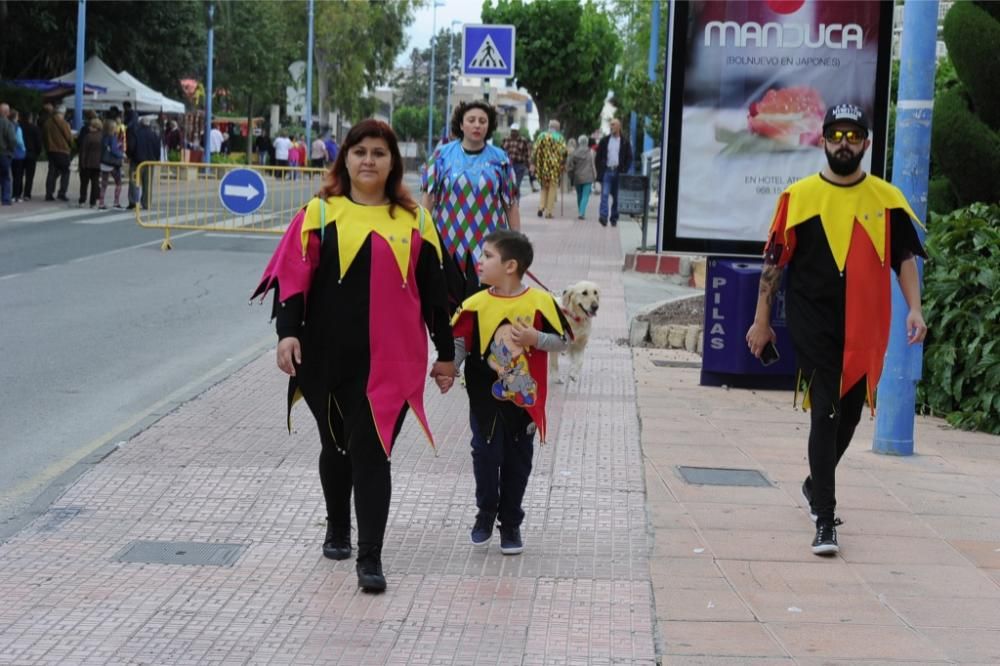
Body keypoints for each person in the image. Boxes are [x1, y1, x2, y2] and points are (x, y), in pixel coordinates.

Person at [252, 119, 455, 593]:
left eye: (379, 153)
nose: (369, 160)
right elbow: (293, 280)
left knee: (373, 452)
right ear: (344, 158)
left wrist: (446, 354)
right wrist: (287, 335)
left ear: (393, 163)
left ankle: (371, 559)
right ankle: (337, 527)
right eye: (360, 151)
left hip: (393, 362)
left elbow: (436, 295)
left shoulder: (416, 222)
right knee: (335, 446)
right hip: (324, 355)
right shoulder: (319, 214)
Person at [745, 103, 928, 556]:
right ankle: (825, 520)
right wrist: (761, 320)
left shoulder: (887, 200)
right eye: (836, 135)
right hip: (814, 324)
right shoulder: (799, 198)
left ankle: (813, 484)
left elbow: (904, 258)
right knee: (824, 409)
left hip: (866, 325)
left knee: (847, 416)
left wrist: (915, 309)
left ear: (865, 143)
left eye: (853, 136)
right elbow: (773, 264)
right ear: (822, 140)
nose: (843, 143)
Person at [435, 230, 570, 554]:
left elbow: (564, 341)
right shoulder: (474, 304)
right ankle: (486, 512)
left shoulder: (540, 302)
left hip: (525, 401)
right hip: (484, 399)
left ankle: (511, 524)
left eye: (487, 256)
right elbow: (459, 343)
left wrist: (536, 339)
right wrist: (449, 369)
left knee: (518, 463)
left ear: (510, 265)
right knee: (485, 454)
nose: (479, 262)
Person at [421, 100, 521, 308]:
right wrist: (420, 235)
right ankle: (452, 342)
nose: (477, 125)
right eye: (472, 120)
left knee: (483, 307)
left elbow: (510, 204)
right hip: (447, 244)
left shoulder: (500, 159)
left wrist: (517, 243)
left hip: (488, 246)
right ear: (461, 124)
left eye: (483, 121)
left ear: (489, 126)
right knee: (448, 306)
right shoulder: (442, 156)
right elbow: (429, 198)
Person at [595, 118, 633, 227]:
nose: (611, 127)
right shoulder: (605, 141)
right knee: (605, 194)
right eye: (610, 125)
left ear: (619, 127)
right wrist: (600, 170)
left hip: (618, 172)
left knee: (616, 197)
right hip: (607, 171)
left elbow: (629, 158)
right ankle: (603, 216)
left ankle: (614, 218)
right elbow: (598, 157)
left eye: (613, 125)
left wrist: (624, 170)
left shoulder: (625, 142)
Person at [531, 119, 567, 219]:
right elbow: (564, 152)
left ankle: (541, 206)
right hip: (554, 167)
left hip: (542, 166)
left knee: (543, 187)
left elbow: (534, 150)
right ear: (557, 128)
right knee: (552, 188)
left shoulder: (541, 136)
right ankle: (549, 212)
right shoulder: (559, 138)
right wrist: (563, 164)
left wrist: (533, 162)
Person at [42, 104, 73, 202]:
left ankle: (49, 193)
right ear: (62, 113)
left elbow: (44, 137)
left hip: (51, 150)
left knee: (52, 172)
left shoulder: (47, 123)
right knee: (65, 172)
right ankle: (62, 193)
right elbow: (69, 138)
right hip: (62, 151)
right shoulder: (64, 123)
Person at [129, 116, 161, 210]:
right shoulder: (154, 134)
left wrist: (130, 156)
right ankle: (146, 203)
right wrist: (156, 159)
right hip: (150, 163)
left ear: (141, 123)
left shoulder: (136, 133)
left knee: (134, 182)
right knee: (148, 184)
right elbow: (157, 149)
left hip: (137, 161)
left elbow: (131, 147)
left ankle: (133, 201)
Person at [566, 134, 597, 220]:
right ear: (587, 142)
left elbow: (570, 166)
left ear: (579, 142)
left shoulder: (574, 153)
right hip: (588, 177)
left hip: (577, 177)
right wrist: (595, 176)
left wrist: (571, 175)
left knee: (579, 195)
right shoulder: (591, 152)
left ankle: (581, 211)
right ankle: (581, 212)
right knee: (585, 195)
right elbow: (593, 165)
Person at [98, 118, 125, 210]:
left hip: (103, 162)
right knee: (118, 183)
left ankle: (101, 203)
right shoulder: (112, 137)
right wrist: (121, 154)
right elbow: (114, 150)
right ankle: (116, 202)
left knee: (104, 183)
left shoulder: (102, 136)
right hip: (112, 163)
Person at [77, 116, 103, 208]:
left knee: (84, 183)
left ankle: (82, 200)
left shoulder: (88, 137)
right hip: (98, 164)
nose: (89, 127)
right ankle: (93, 202)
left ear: (95, 127)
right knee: (95, 184)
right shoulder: (102, 137)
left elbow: (83, 151)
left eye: (91, 126)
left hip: (87, 163)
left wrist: (81, 164)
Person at [501, 123, 531, 196]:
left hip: (519, 166)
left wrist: (528, 166)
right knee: (507, 185)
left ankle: (516, 204)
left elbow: (527, 154)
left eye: (515, 131)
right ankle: (508, 203)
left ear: (518, 132)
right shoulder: (505, 139)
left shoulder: (523, 140)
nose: (513, 132)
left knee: (516, 186)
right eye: (512, 131)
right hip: (507, 165)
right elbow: (501, 152)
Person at [18, 112, 42, 201]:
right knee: (29, 176)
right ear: (30, 118)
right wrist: (37, 153)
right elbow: (39, 143)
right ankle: (27, 194)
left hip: (21, 154)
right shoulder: (35, 129)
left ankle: (17, 192)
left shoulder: (19, 127)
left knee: (19, 174)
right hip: (32, 154)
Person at [0, 104, 20, 206]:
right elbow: (12, 140)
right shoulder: (8, 124)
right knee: (5, 177)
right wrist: (11, 150)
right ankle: (6, 199)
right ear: (7, 112)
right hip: (4, 154)